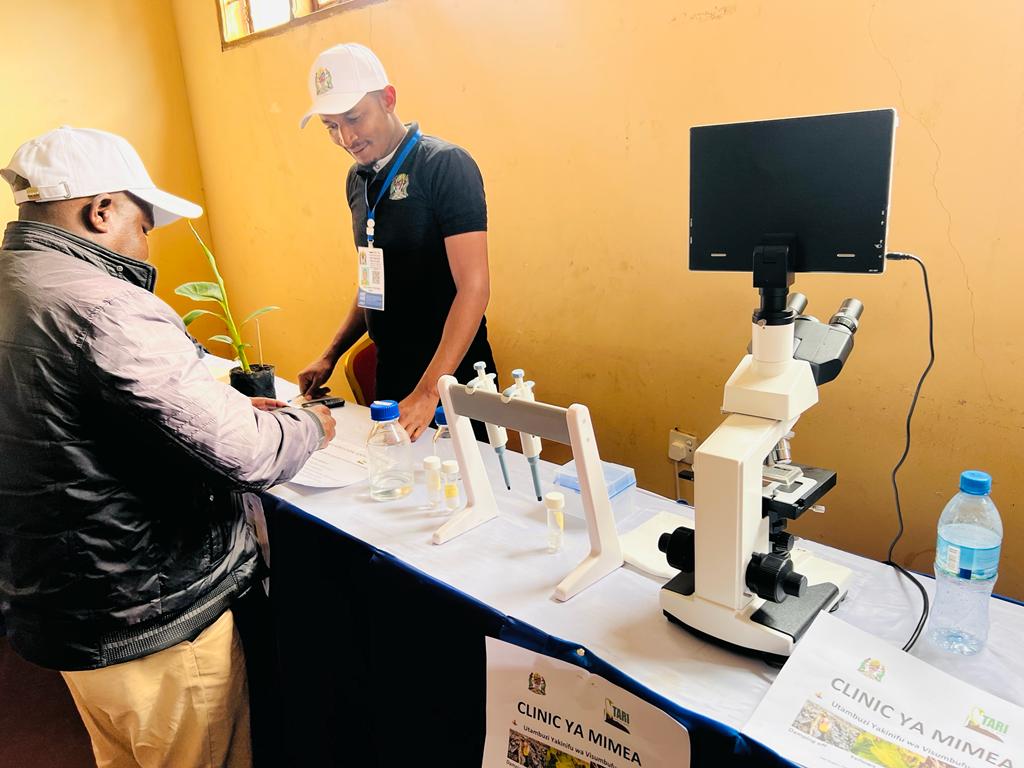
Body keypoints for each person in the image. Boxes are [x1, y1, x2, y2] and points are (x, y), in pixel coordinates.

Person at [0, 126, 336, 767]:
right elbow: (251, 456)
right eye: (144, 222)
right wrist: (310, 424)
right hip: (154, 625)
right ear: (101, 211)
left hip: (65, 617)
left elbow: (71, 431)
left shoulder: (14, 288)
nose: (145, 239)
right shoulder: (106, 305)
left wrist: (218, 409)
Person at [297, 43, 496, 440]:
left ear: (388, 99)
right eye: (331, 126)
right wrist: (330, 354)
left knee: (468, 489)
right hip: (393, 375)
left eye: (354, 118)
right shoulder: (358, 180)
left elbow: (474, 287)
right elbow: (374, 281)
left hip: (452, 377)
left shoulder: (445, 166)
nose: (346, 137)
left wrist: (428, 392)